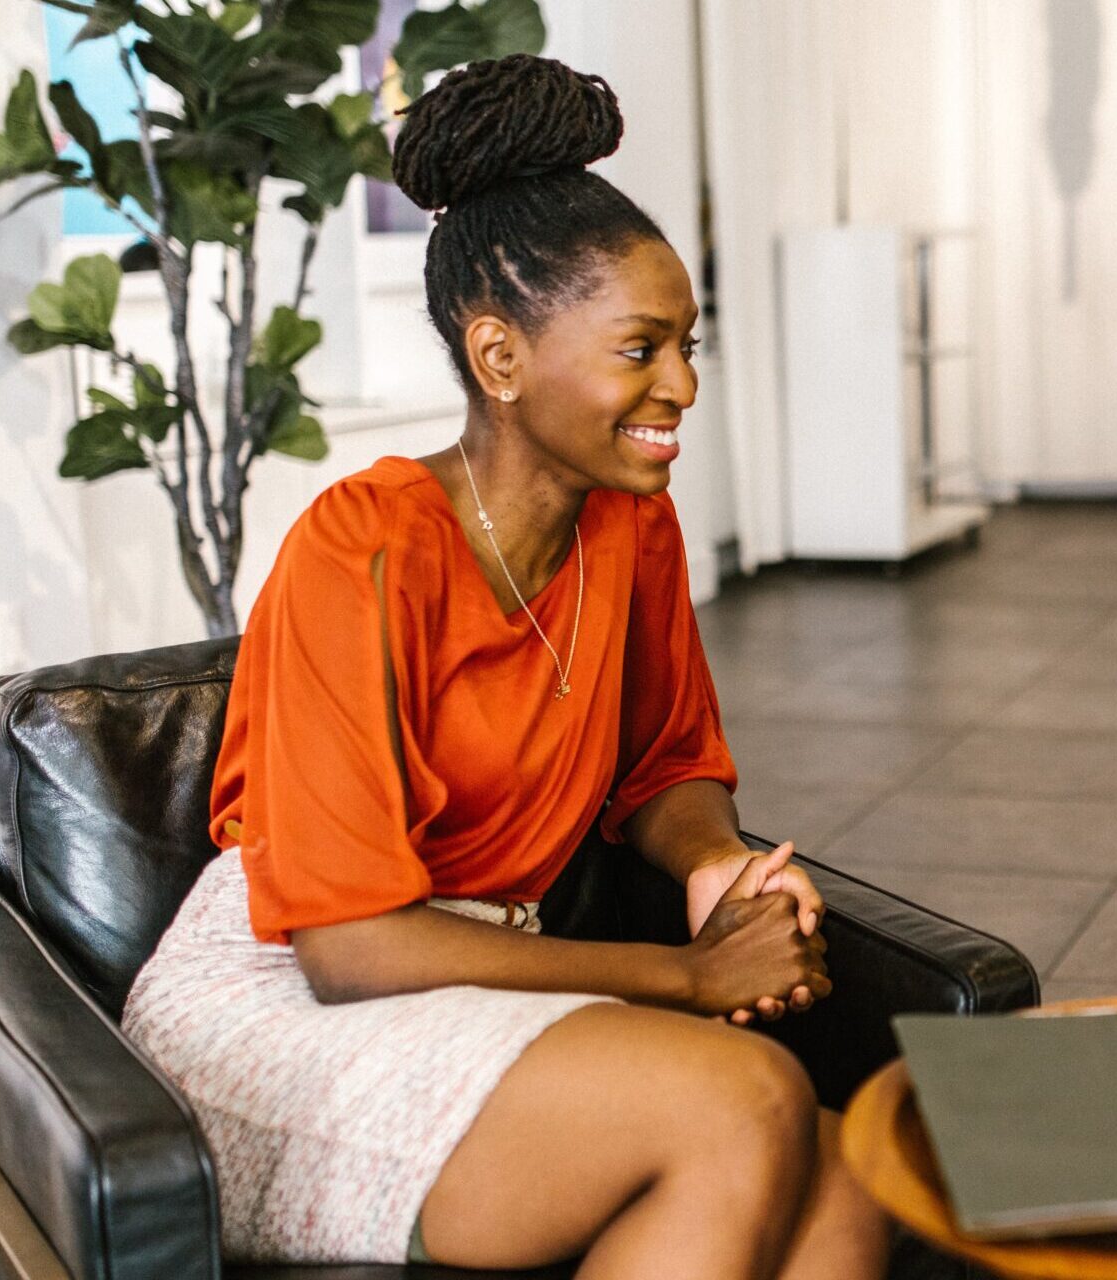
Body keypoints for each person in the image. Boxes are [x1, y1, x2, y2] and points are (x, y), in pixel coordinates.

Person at [120, 54, 891, 1280]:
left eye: (687, 345)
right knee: (741, 1096)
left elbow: (668, 768)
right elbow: (352, 947)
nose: (681, 387)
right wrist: (687, 975)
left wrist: (711, 863)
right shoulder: (360, 547)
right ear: (499, 357)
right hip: (286, 1008)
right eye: (641, 349)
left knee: (851, 1174)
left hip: (483, 979)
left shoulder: (631, 523)